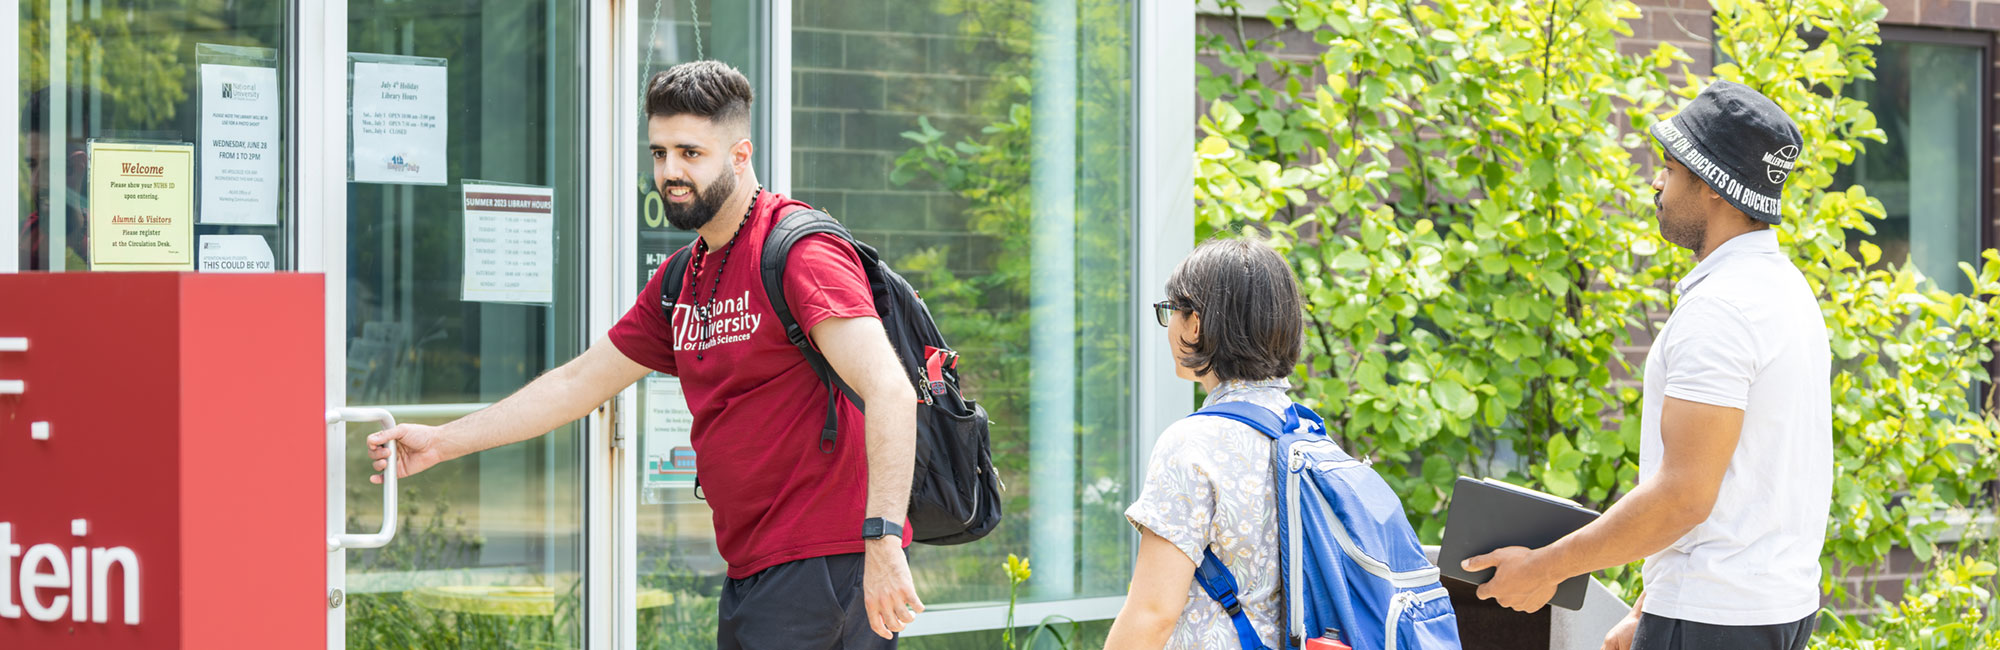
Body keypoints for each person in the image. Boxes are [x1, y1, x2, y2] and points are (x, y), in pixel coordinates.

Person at [365, 60, 924, 648]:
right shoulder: (685, 276)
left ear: (740, 153)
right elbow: (577, 383)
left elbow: (889, 388)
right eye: (659, 153)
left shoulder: (799, 252)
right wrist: (443, 442)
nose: (670, 173)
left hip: (826, 561)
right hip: (754, 564)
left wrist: (883, 541)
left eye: (690, 153)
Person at [1462, 80, 1830, 650]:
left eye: (1670, 168)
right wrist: (1656, 600)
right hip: (1768, 609)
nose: (1656, 181)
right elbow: (1750, 481)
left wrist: (1545, 568)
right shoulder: (1785, 290)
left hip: (1713, 624)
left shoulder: (1721, 309)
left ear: (1714, 187)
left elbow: (1684, 495)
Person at [1104, 237, 1305, 650]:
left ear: (1195, 323)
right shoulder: (1303, 431)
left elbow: (1152, 614)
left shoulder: (1192, 444)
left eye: (1171, 312)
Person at [19, 86, 109, 270]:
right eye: (32, 165)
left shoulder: (112, 244)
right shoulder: (17, 241)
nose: (35, 181)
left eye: (49, 166)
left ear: (78, 167)